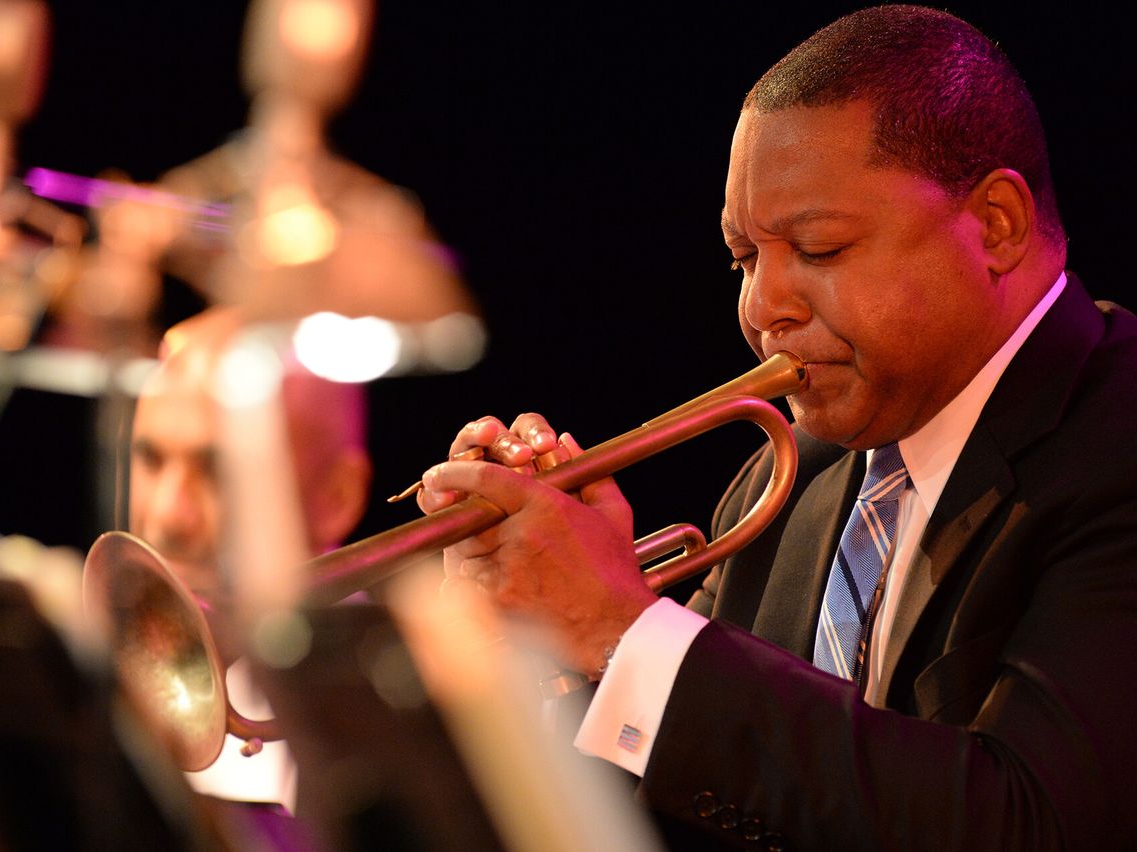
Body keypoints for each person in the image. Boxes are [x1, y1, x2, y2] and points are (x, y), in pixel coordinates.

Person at [416, 6, 1137, 850]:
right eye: (745, 259)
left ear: (997, 225)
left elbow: (1029, 823)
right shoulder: (789, 478)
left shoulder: (1117, 442)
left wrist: (619, 625)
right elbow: (714, 800)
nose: (764, 310)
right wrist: (546, 650)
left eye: (821, 249)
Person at [129, 305, 371, 812]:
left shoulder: (404, 705)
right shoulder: (86, 664)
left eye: (218, 471)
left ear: (338, 496)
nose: (168, 517)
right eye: (150, 460)